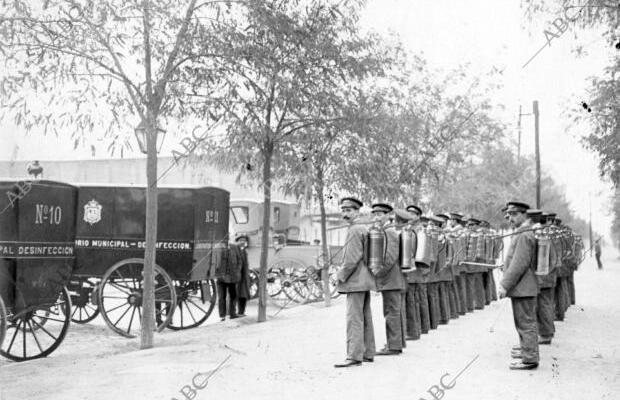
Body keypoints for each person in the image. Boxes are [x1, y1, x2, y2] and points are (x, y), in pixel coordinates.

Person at [334, 197, 376, 368]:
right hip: (364, 279)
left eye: (349, 210)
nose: (345, 214)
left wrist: (340, 275)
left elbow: (351, 259)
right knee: (365, 316)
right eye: (343, 210)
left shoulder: (354, 230)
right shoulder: (362, 228)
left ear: (357, 211)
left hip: (355, 279)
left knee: (354, 318)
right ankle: (367, 352)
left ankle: (354, 356)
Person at [499, 201, 540, 370]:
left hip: (523, 287)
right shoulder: (525, 232)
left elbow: (519, 264)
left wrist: (505, 285)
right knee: (525, 322)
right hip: (524, 286)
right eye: (510, 215)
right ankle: (528, 353)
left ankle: (529, 359)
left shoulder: (524, 234)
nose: (511, 218)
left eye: (515, 214)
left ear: (524, 214)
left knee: (525, 323)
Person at [371, 203, 407, 356]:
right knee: (393, 311)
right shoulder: (387, 230)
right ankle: (396, 343)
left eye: (379, 214)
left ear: (387, 215)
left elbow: (390, 257)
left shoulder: (389, 232)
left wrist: (377, 273)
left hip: (390, 279)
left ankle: (393, 346)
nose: (376, 217)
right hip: (392, 279)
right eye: (375, 214)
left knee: (391, 312)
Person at [532, 210, 556, 345]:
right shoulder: (546, 233)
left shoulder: (541, 234)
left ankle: (546, 334)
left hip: (542, 278)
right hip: (547, 277)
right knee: (545, 305)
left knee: (543, 306)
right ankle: (547, 331)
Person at [215, 242, 242, 321]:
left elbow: (239, 260)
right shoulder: (218, 247)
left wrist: (237, 271)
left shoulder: (234, 247)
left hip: (232, 277)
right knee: (221, 297)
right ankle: (222, 315)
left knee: (233, 296)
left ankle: (232, 314)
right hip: (221, 277)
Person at [232, 235, 250, 317]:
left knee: (243, 295)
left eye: (244, 240)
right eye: (241, 240)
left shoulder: (244, 251)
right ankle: (233, 313)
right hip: (237, 276)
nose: (243, 242)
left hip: (244, 277)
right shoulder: (235, 251)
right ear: (237, 242)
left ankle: (241, 312)